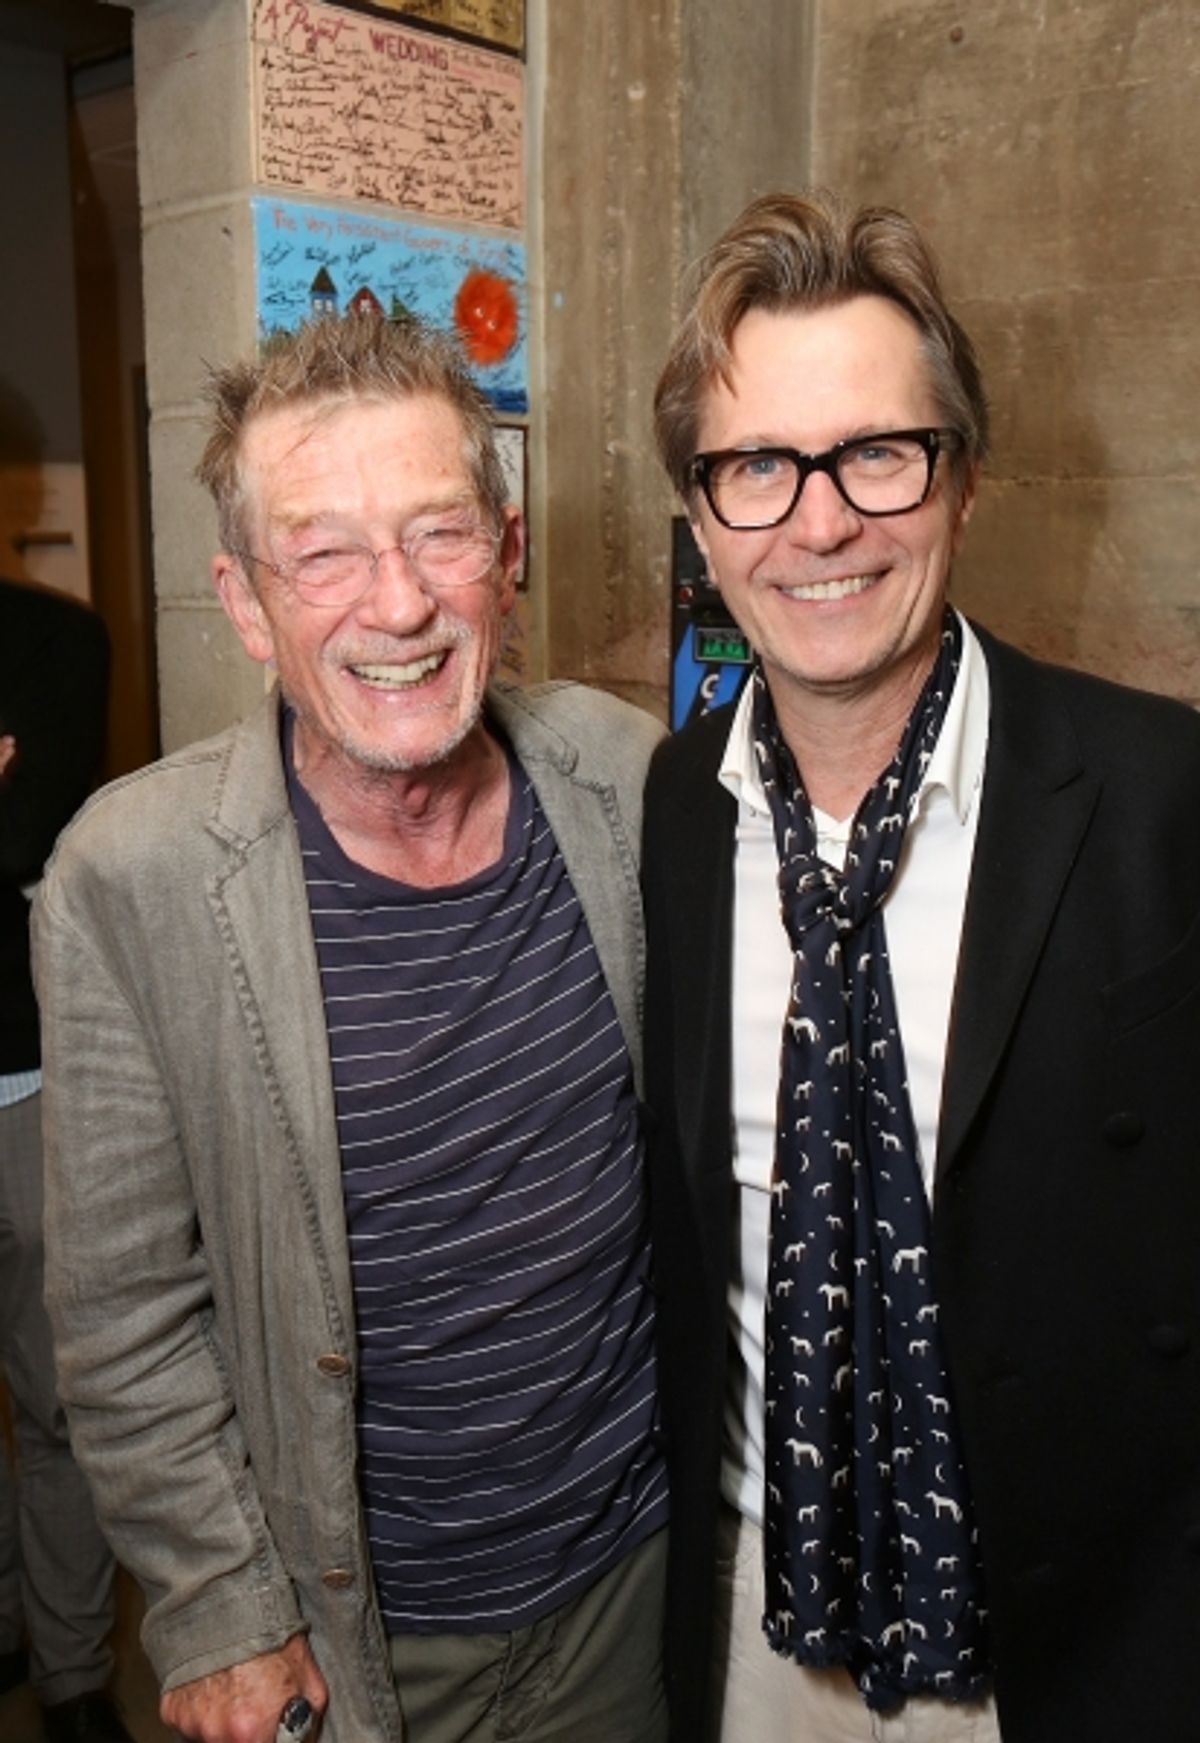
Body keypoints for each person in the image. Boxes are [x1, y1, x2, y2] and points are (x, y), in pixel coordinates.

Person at [33, 312, 669, 1743]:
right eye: (323, 554)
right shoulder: (128, 879)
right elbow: (124, 1311)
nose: (398, 604)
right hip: (356, 1635)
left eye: (441, 534)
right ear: (248, 605)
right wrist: (219, 1605)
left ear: (506, 558)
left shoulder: (625, 782)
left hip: (634, 1588)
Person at [641, 190, 1200, 1743]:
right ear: (701, 516)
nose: (820, 523)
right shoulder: (678, 812)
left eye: (877, 452)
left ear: (962, 482)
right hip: (762, 1622)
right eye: (757, 466)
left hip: (1079, 1637)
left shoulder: (1160, 796)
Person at [0, 577, 130, 1742]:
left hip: (30, 1083)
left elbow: (23, 832)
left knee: (59, 1405)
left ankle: (74, 1673)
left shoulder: (53, 638)